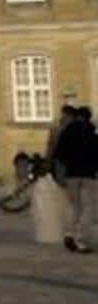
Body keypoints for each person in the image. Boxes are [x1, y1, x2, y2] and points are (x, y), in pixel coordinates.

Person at [55, 106, 97, 254]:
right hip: (88, 175)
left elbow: (59, 153)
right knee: (88, 208)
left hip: (72, 174)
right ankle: (81, 240)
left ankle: (69, 233)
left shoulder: (67, 131)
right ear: (88, 117)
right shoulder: (91, 132)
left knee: (74, 206)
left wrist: (64, 170)